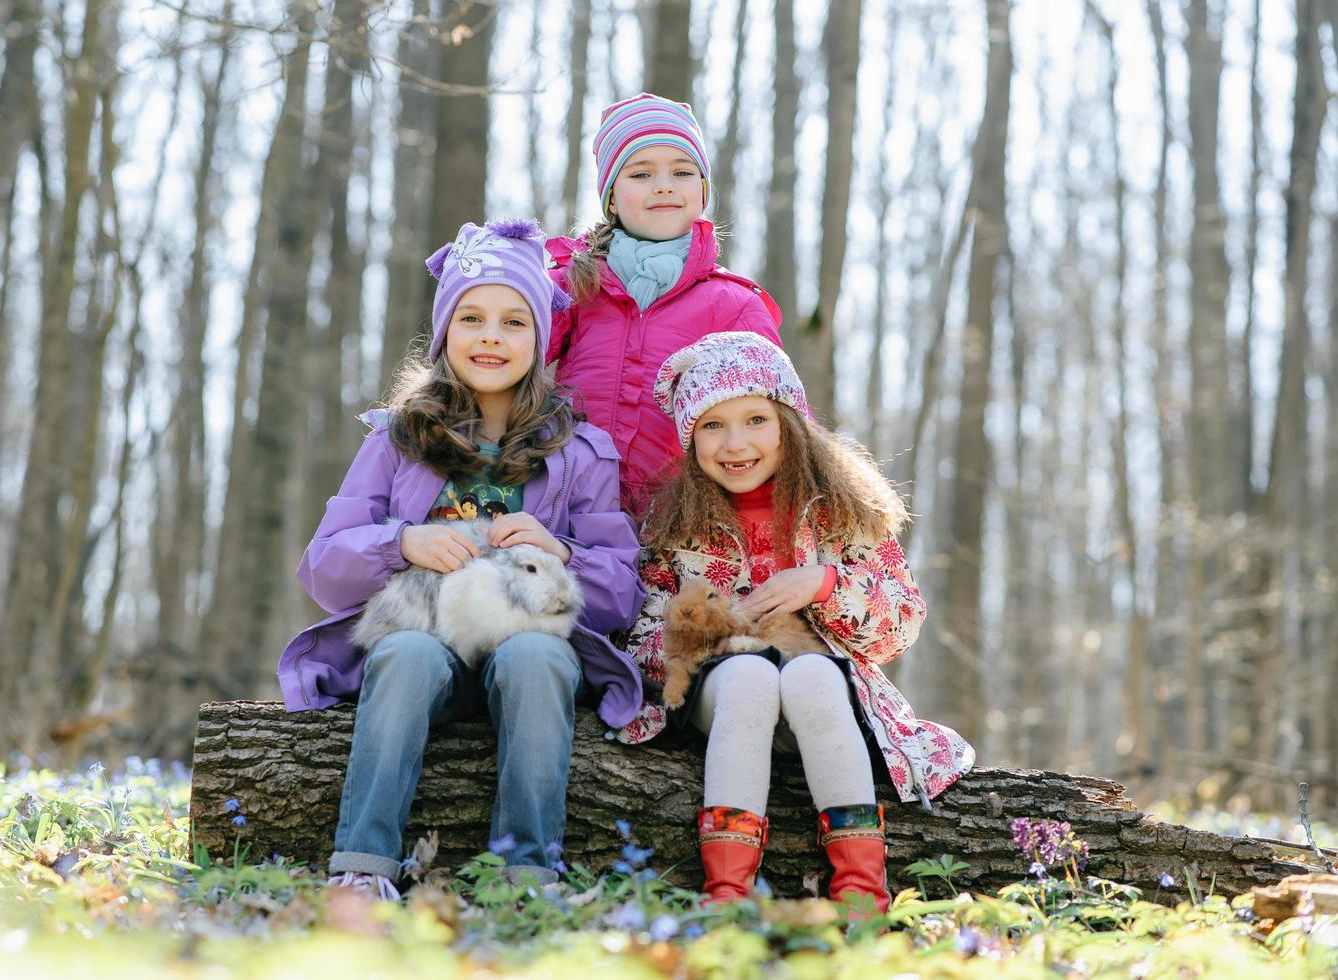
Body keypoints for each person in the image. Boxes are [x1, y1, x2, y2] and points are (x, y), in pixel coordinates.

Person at [277, 218, 645, 898]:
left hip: (531, 654)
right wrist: (401, 541)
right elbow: (324, 568)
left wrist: (557, 549)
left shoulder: (581, 453)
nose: (490, 338)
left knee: (534, 658)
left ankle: (526, 876)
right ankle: (363, 868)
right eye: (471, 317)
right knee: (407, 653)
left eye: (513, 322)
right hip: (425, 650)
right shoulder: (396, 438)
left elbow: (622, 591)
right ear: (445, 330)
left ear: (539, 340)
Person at [617, 333, 974, 910]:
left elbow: (899, 625)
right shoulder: (673, 525)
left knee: (812, 674)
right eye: (712, 426)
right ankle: (727, 893)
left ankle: (861, 893)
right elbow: (640, 642)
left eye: (755, 419)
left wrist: (823, 584)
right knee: (750, 676)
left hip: (826, 704)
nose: (736, 443)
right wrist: (713, 633)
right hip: (726, 703)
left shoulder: (840, 512)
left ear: (789, 422)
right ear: (689, 438)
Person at [547, 93, 784, 516]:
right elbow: (497, 355)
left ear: (702, 190)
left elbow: (780, 428)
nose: (664, 184)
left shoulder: (734, 306)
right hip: (570, 522)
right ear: (612, 198)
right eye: (640, 173)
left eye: (682, 171)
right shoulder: (572, 285)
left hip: (685, 533)